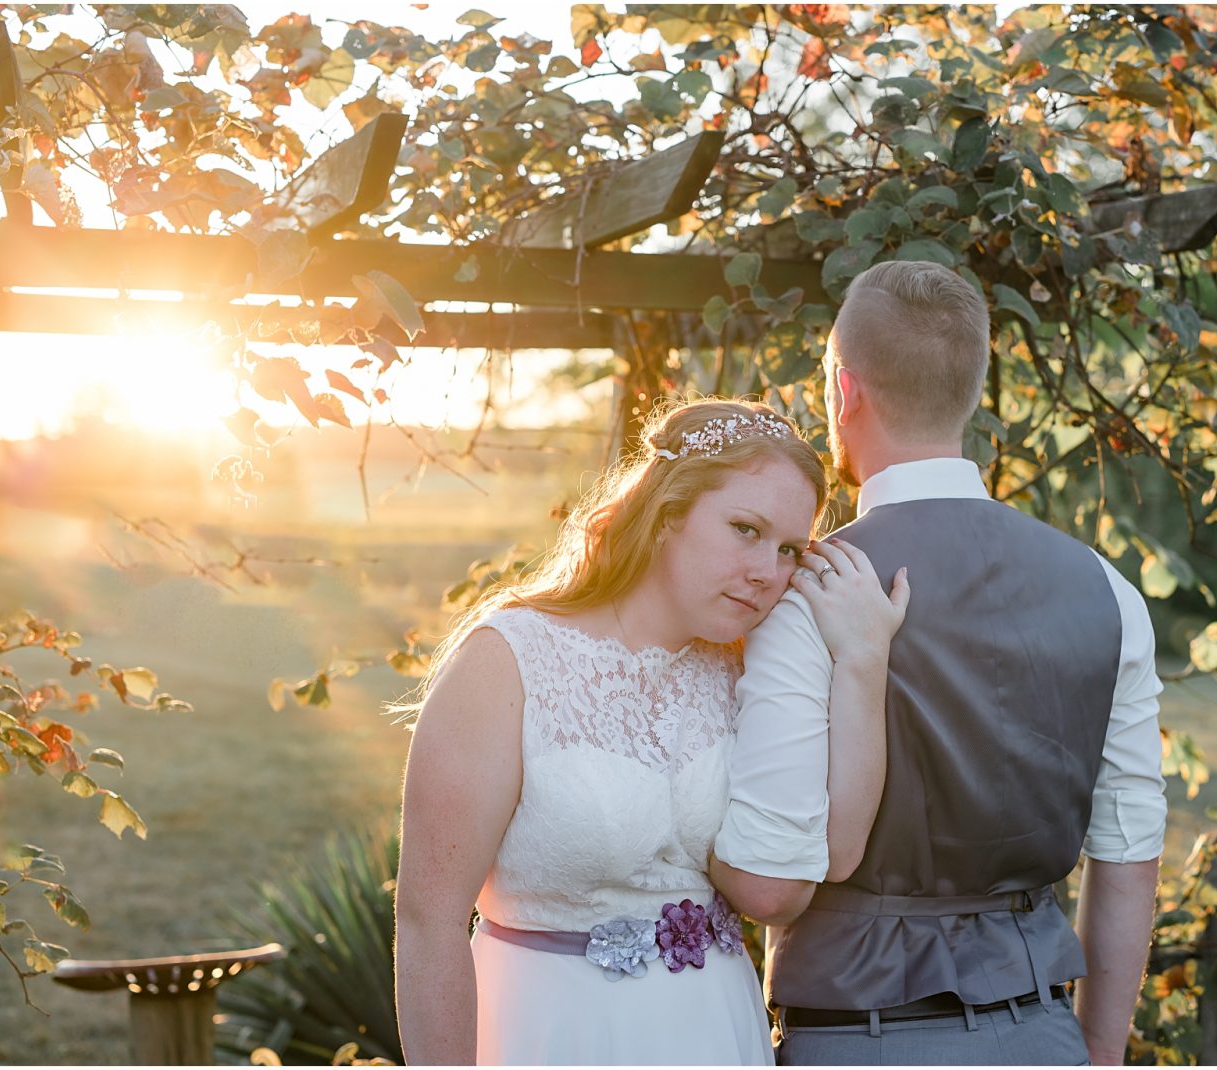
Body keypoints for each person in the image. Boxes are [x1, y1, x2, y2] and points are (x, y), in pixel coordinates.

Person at [709, 260, 1167, 1065]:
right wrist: (1093, 1053)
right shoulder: (1109, 592)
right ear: (971, 391)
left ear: (843, 393)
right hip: (1043, 1037)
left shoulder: (808, 590)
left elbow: (773, 865)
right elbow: (1128, 857)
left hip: (859, 1040)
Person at [391, 398, 909, 1065]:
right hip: (555, 1034)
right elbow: (428, 920)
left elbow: (834, 854)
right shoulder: (508, 660)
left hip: (715, 1033)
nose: (767, 571)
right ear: (667, 513)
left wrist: (864, 663)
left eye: (787, 549)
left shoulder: (746, 672)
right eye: (744, 529)